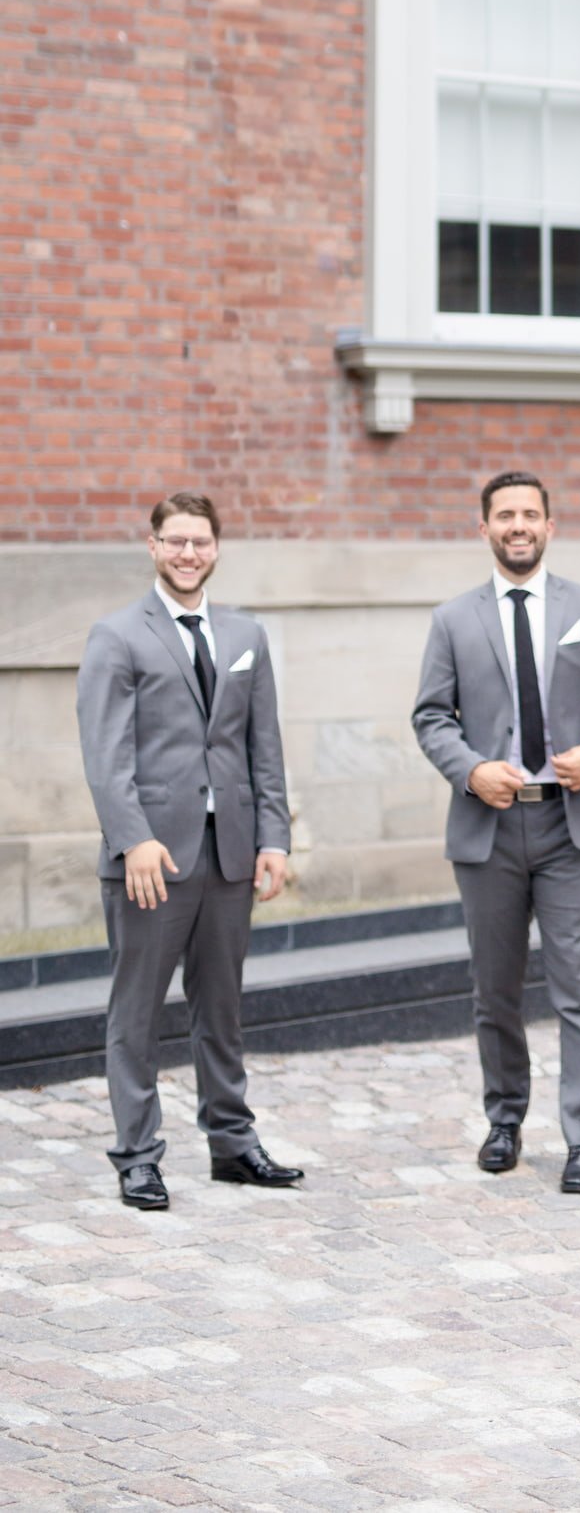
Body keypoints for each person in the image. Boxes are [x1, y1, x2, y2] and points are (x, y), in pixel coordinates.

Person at [412, 471, 580, 1191]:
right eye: (505, 515)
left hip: (572, 826)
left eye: (530, 514)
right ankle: (505, 1117)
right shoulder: (453, 619)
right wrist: (470, 770)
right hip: (489, 827)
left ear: (551, 525)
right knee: (497, 990)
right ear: (483, 527)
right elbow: (430, 716)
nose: (518, 525)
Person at [75, 491, 299, 1211]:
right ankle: (137, 1156)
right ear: (152, 546)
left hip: (229, 853)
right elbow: (105, 755)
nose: (188, 553)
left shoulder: (245, 636)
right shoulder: (117, 637)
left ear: (216, 548)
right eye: (175, 541)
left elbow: (264, 748)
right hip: (151, 861)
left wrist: (274, 839)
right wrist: (131, 838)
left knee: (223, 1008)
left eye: (200, 541)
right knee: (136, 1013)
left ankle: (232, 1145)